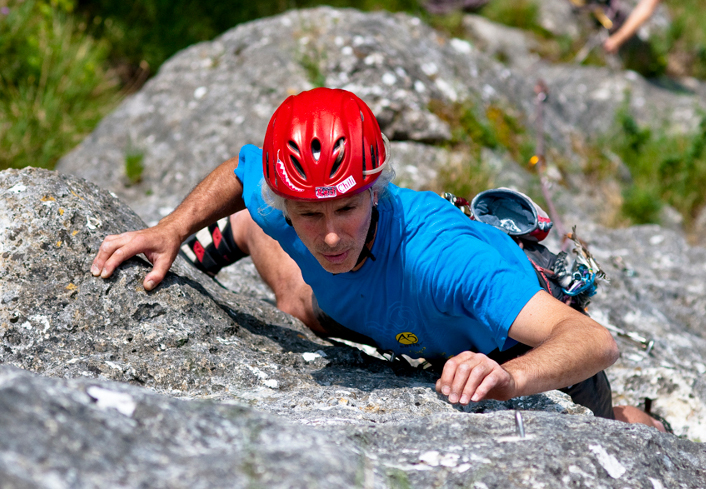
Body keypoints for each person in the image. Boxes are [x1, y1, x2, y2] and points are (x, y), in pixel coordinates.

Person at [90, 87, 662, 429]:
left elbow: (593, 341)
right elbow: (242, 170)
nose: (332, 235)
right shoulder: (281, 197)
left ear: (377, 188)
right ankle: (242, 234)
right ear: (284, 201)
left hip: (505, 347)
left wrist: (509, 378)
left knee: (612, 425)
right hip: (375, 313)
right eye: (309, 215)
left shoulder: (446, 261)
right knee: (301, 308)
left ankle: (650, 420)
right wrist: (170, 228)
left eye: (347, 209)